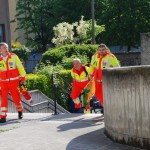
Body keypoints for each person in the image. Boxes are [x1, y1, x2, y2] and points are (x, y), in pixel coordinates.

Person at [89, 43, 120, 113]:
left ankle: (108, 110)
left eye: (103, 50)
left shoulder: (111, 57)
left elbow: (117, 68)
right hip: (97, 81)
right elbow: (92, 67)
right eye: (100, 50)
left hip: (107, 80)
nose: (101, 51)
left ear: (106, 49)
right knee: (98, 95)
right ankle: (105, 108)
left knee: (108, 95)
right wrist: (91, 76)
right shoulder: (94, 56)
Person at [0, 42, 26, 123]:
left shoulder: (14, 57)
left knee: (16, 98)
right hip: (3, 83)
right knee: (3, 99)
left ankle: (20, 111)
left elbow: (20, 67)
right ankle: (3, 117)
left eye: (7, 47)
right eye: (4, 48)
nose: (6, 49)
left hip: (14, 82)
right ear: (0, 49)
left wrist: (23, 76)